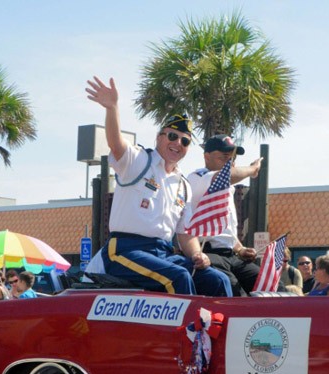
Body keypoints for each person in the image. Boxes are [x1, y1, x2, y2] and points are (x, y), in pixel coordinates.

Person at [84, 75, 231, 297]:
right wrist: (112, 108)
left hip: (162, 253)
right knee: (177, 277)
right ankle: (189, 332)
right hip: (124, 250)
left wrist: (197, 256)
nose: (177, 143)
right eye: (172, 136)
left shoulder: (183, 185)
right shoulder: (139, 161)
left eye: (185, 141)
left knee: (217, 279)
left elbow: (185, 233)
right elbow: (116, 144)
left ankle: (221, 331)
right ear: (159, 137)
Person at [187, 134, 263, 296]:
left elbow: (225, 230)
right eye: (224, 157)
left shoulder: (228, 187)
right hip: (208, 253)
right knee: (237, 295)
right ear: (206, 157)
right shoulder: (197, 178)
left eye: (232, 158)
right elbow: (225, 176)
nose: (230, 162)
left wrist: (241, 249)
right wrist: (252, 170)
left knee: (269, 285)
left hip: (231, 256)